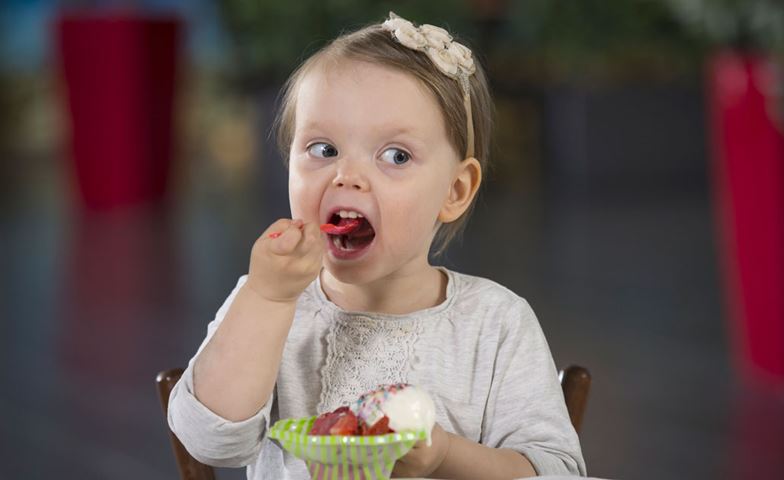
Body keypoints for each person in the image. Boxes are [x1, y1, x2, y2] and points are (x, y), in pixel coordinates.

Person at [168, 12, 586, 479]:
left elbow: (556, 472)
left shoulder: (495, 325)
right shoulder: (265, 304)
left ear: (455, 191)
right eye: (323, 150)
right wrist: (267, 299)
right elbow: (208, 441)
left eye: (395, 156)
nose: (347, 176)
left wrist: (446, 456)